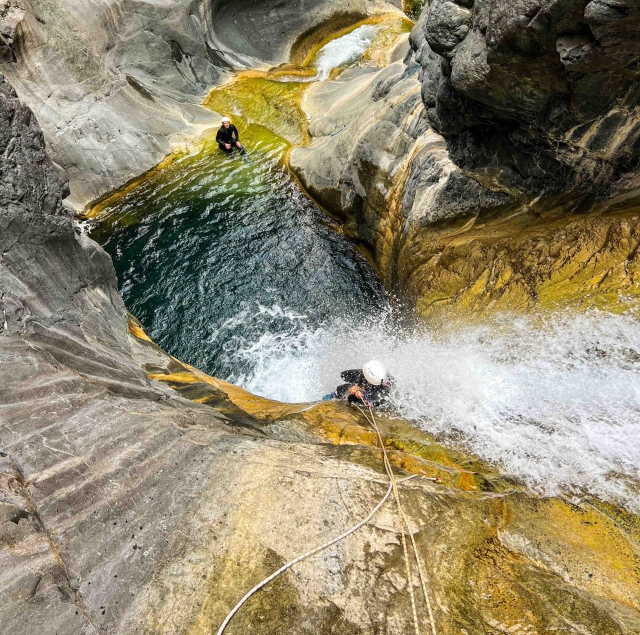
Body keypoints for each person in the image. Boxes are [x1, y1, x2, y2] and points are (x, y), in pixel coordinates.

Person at [323, 360, 394, 407]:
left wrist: (358, 395)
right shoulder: (365, 374)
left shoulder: (385, 388)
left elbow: (370, 402)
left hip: (374, 399)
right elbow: (343, 375)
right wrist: (355, 385)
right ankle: (332, 395)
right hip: (366, 382)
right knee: (346, 387)